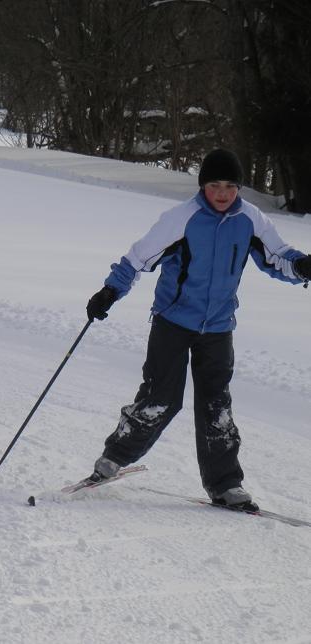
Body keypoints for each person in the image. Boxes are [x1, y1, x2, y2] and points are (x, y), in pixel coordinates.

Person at [84, 148, 311, 511]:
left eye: (230, 186)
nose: (222, 193)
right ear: (203, 186)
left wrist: (301, 267)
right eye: (214, 185)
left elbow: (277, 256)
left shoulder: (250, 220)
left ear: (239, 188)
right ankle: (112, 459)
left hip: (219, 326)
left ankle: (225, 485)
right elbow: (138, 258)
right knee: (161, 398)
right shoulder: (181, 219)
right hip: (173, 322)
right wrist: (109, 292)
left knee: (216, 406)